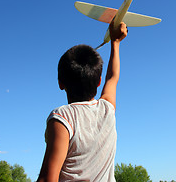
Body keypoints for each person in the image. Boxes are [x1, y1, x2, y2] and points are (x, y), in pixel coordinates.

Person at [37, 21, 128, 182]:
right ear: (99, 81)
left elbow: (47, 178)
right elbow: (113, 78)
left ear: (60, 83)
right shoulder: (107, 109)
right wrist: (115, 42)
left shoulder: (63, 117)